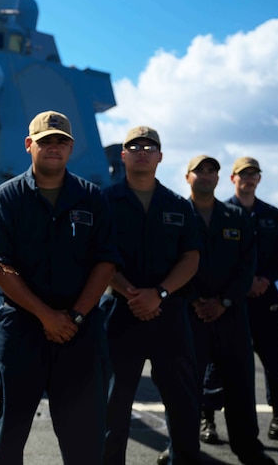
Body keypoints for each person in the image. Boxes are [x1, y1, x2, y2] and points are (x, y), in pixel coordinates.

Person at [0, 111, 121, 464]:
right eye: (46, 142)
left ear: (71, 148)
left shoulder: (92, 198)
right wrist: (48, 317)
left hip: (79, 330)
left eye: (61, 141)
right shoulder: (6, 198)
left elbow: (105, 262)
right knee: (10, 434)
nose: (54, 148)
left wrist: (73, 316)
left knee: (84, 438)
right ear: (30, 145)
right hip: (22, 330)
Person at [100, 126, 202, 465]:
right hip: (119, 313)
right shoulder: (104, 202)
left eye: (150, 146)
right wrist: (132, 293)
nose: (142, 151)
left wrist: (158, 293)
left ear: (160, 156)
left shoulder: (177, 205)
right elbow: (96, 255)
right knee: (114, 405)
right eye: (134, 146)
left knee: (183, 402)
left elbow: (191, 256)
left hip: (169, 315)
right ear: (123, 155)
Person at [176, 155, 274, 464]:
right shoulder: (176, 214)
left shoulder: (236, 216)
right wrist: (194, 299)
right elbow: (169, 261)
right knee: (185, 389)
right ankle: (182, 451)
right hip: (190, 315)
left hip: (231, 316)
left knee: (240, 385)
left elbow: (247, 266)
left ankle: (248, 449)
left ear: (219, 178)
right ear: (187, 176)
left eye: (211, 171)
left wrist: (225, 301)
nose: (206, 176)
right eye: (199, 171)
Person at [201, 157, 278, 445]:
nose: (248, 179)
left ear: (259, 179)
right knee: (217, 362)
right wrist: (240, 286)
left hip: (264, 299)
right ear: (232, 178)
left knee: (274, 362)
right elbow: (217, 260)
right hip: (233, 301)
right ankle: (207, 418)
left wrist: (264, 280)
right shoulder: (221, 213)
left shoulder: (272, 214)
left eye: (253, 174)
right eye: (243, 174)